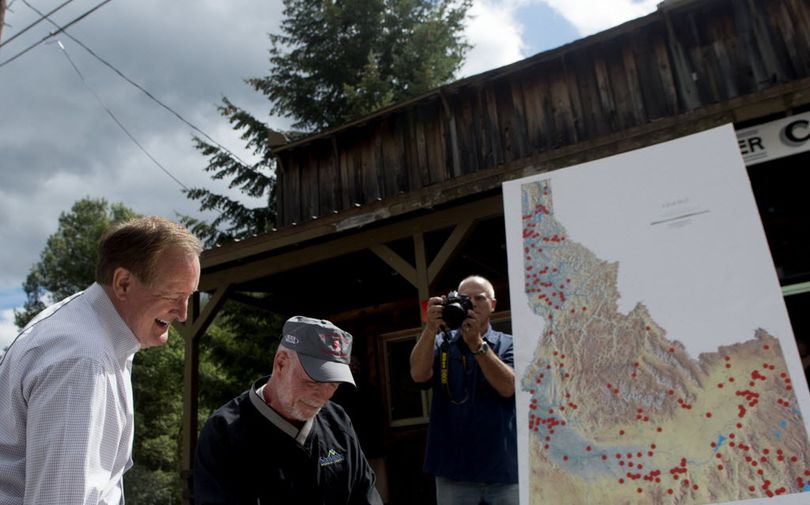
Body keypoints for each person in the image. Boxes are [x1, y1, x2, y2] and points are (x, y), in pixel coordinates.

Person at [0, 216, 202, 505]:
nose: (183, 314)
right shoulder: (83, 361)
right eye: (173, 295)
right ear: (123, 284)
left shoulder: (86, 333)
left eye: (190, 296)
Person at [194, 315, 384, 505]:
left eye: (333, 384)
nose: (322, 396)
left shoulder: (338, 422)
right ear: (281, 363)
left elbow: (366, 496)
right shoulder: (223, 433)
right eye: (313, 381)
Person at [410, 275, 518, 505]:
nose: (473, 304)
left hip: (504, 470)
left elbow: (508, 388)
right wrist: (430, 328)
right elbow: (419, 374)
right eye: (465, 298)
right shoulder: (441, 342)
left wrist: (478, 346)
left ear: (493, 304)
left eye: (480, 298)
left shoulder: (508, 343)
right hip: (453, 471)